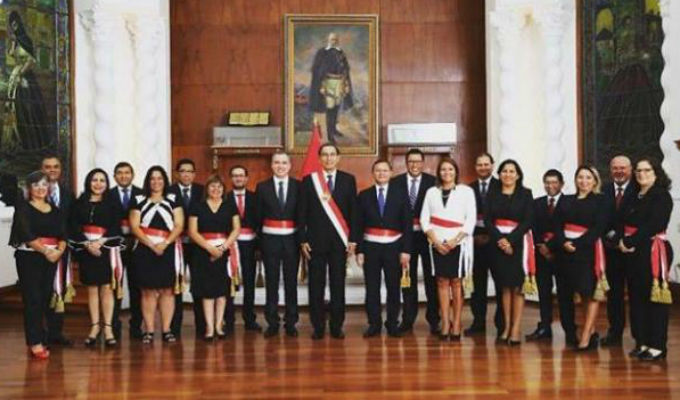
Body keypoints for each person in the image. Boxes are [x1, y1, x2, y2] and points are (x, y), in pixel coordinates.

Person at [298, 143, 359, 339]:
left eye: (332, 154)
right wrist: (302, 239)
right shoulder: (309, 181)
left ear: (338, 158)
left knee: (337, 285)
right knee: (316, 286)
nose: (329, 158)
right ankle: (318, 326)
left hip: (339, 243)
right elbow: (302, 212)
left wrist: (353, 239)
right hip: (315, 242)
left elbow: (353, 212)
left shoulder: (348, 180)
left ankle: (336, 325)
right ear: (319, 158)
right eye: (325, 155)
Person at [619, 157, 673, 361]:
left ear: (656, 173)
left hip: (653, 250)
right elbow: (622, 220)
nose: (642, 174)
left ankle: (657, 345)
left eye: (647, 170)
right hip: (632, 251)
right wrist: (622, 240)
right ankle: (641, 341)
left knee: (654, 298)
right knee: (636, 298)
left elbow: (655, 224)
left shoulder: (661, 196)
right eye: (638, 171)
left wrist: (630, 241)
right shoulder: (633, 194)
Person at [9, 171, 67, 359]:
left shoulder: (55, 210)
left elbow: (63, 234)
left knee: (45, 298)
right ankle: (34, 342)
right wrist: (46, 252)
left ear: (48, 187)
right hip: (30, 259)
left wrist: (59, 251)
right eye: (36, 185)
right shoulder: (24, 208)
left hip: (52, 259)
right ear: (29, 188)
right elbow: (27, 235)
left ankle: (41, 336)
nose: (41, 188)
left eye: (44, 184)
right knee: (32, 299)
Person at [420, 158, 476, 341]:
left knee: (456, 283)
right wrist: (435, 241)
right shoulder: (431, 192)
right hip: (436, 243)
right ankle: (445, 322)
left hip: (458, 243)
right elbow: (424, 219)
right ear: (438, 172)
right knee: (441, 282)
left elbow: (470, 219)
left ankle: (457, 323)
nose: (447, 172)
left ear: (456, 171)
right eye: (443, 169)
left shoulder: (466, 192)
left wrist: (454, 241)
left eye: (450, 169)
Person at [553, 165, 608, 351]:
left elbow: (598, 228)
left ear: (595, 181)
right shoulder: (566, 199)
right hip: (564, 252)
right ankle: (588, 332)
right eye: (580, 177)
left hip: (587, 252)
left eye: (588, 177)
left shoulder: (600, 201)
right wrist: (563, 242)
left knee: (588, 292)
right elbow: (557, 224)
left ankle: (585, 336)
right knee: (569, 293)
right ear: (575, 180)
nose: (584, 181)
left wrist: (577, 244)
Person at [356, 160, 412, 338]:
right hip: (370, 247)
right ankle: (374, 324)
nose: (381, 174)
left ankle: (392, 323)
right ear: (373, 173)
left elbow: (407, 225)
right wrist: (359, 251)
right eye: (378, 171)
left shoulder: (401, 195)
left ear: (391, 173)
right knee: (372, 288)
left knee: (393, 288)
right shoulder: (364, 195)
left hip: (394, 248)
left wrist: (406, 250)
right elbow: (358, 225)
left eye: (385, 171)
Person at [129, 166, 184, 344]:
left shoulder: (173, 199)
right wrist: (152, 245)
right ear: (148, 181)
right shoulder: (138, 199)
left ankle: (167, 329)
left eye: (159, 178)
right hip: (145, 249)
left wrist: (165, 243)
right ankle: (149, 330)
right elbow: (135, 226)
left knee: (168, 290)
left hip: (168, 248)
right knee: (148, 291)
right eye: (152, 178)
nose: (156, 182)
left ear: (165, 180)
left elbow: (179, 225)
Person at [69, 168, 123, 347]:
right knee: (92, 289)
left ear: (106, 184)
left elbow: (116, 226)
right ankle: (94, 327)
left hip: (106, 249)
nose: (98, 184)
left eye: (102, 180)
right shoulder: (80, 202)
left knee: (106, 289)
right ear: (88, 182)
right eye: (94, 180)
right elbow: (73, 226)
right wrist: (87, 244)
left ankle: (108, 328)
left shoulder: (112, 202)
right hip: (87, 250)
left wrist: (101, 241)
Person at [484, 159, 534, 345]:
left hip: (518, 244)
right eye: (504, 171)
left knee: (517, 288)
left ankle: (515, 329)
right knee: (504, 286)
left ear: (518, 175)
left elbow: (528, 220)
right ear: (499, 174)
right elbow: (488, 221)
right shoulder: (492, 194)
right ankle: (506, 327)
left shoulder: (526, 194)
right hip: (497, 245)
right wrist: (501, 240)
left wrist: (510, 240)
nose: (508, 174)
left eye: (512, 171)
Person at [390, 148, 439, 335]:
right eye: (411, 161)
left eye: (418, 161)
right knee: (406, 280)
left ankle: (434, 319)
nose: (414, 165)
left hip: (428, 237)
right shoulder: (395, 183)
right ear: (406, 163)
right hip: (404, 239)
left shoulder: (433, 182)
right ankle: (408, 319)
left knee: (431, 279)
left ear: (423, 163)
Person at [187, 174, 240, 341]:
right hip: (202, 253)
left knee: (222, 292)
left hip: (224, 252)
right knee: (207, 292)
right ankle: (209, 327)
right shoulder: (197, 206)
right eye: (212, 186)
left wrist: (223, 248)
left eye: (219, 187)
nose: (216, 189)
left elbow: (236, 229)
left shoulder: (230, 206)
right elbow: (192, 231)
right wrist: (209, 248)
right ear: (207, 189)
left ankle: (219, 326)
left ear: (223, 189)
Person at [256, 152, 301, 338]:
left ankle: (291, 322)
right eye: (276, 162)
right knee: (271, 282)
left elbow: (302, 215)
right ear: (271, 165)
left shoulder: (299, 186)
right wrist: (259, 245)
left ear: (289, 165)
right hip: (270, 241)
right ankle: (272, 322)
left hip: (292, 240)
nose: (280, 166)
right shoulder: (262, 187)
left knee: (291, 282)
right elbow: (258, 217)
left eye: (284, 163)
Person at [600, 155, 637, 347]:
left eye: (623, 168)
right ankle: (615, 333)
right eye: (615, 168)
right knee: (614, 295)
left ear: (630, 169)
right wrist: (612, 238)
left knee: (636, 294)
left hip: (633, 250)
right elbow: (599, 219)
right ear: (610, 170)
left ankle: (639, 336)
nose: (619, 171)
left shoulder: (639, 189)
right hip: (611, 250)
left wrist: (623, 238)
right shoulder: (604, 189)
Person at [465, 153, 504, 336]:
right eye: (479, 165)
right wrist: (473, 237)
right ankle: (478, 321)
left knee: (500, 284)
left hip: (497, 241)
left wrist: (491, 236)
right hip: (475, 242)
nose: (483, 168)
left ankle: (502, 323)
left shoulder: (502, 186)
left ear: (492, 165)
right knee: (477, 285)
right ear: (475, 167)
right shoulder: (468, 189)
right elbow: (464, 215)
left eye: (486, 164)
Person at [526, 169, 564, 342]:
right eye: (547, 182)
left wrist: (551, 246)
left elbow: (565, 228)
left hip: (561, 253)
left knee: (564, 292)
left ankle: (569, 327)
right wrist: (542, 246)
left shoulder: (569, 202)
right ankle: (545, 326)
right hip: (541, 253)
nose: (550, 186)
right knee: (544, 292)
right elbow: (532, 226)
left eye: (554, 182)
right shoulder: (536, 203)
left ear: (561, 184)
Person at [167, 158, 204, 338]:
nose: (186, 174)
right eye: (183, 171)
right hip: (176, 245)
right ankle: (174, 327)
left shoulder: (202, 191)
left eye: (190, 171)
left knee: (199, 285)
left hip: (198, 246)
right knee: (175, 285)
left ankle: (202, 326)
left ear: (194, 174)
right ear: (177, 174)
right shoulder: (169, 192)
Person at [3, 11, 50, 151]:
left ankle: (31, 142)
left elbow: (31, 60)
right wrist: (13, 42)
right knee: (13, 106)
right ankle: (16, 141)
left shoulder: (26, 40)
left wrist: (21, 74)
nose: (14, 27)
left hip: (25, 75)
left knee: (26, 106)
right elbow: (11, 54)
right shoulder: (17, 40)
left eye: (15, 24)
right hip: (15, 74)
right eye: (12, 25)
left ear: (19, 24)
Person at [107, 162, 144, 339]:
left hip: (137, 245)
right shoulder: (108, 195)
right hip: (115, 247)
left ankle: (136, 326)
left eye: (127, 172)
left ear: (132, 175)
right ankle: (113, 325)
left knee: (137, 287)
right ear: (115, 176)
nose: (123, 176)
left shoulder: (142, 194)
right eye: (120, 173)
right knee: (115, 286)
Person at [42, 155, 74, 346]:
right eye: (48, 167)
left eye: (56, 166)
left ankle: (56, 332)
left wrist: (63, 245)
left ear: (60, 170)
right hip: (41, 251)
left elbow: (71, 222)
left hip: (62, 250)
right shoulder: (34, 193)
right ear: (42, 170)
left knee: (59, 289)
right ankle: (41, 333)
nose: (52, 170)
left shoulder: (68, 193)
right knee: (43, 291)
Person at [225, 165, 261, 333]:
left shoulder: (255, 197)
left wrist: (259, 248)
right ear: (231, 178)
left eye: (241, 175)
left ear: (246, 178)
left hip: (250, 245)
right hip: (230, 245)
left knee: (249, 282)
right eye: (235, 175)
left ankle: (249, 319)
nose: (238, 178)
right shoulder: (224, 198)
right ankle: (228, 319)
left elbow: (260, 222)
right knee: (228, 282)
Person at [309, 32, 354, 144]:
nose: (334, 41)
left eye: (335, 39)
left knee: (336, 107)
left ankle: (333, 129)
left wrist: (346, 84)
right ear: (328, 40)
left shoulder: (340, 53)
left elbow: (346, 69)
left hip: (339, 83)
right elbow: (316, 69)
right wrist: (321, 85)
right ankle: (329, 135)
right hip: (327, 83)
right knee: (329, 108)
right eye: (332, 39)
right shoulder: (322, 52)